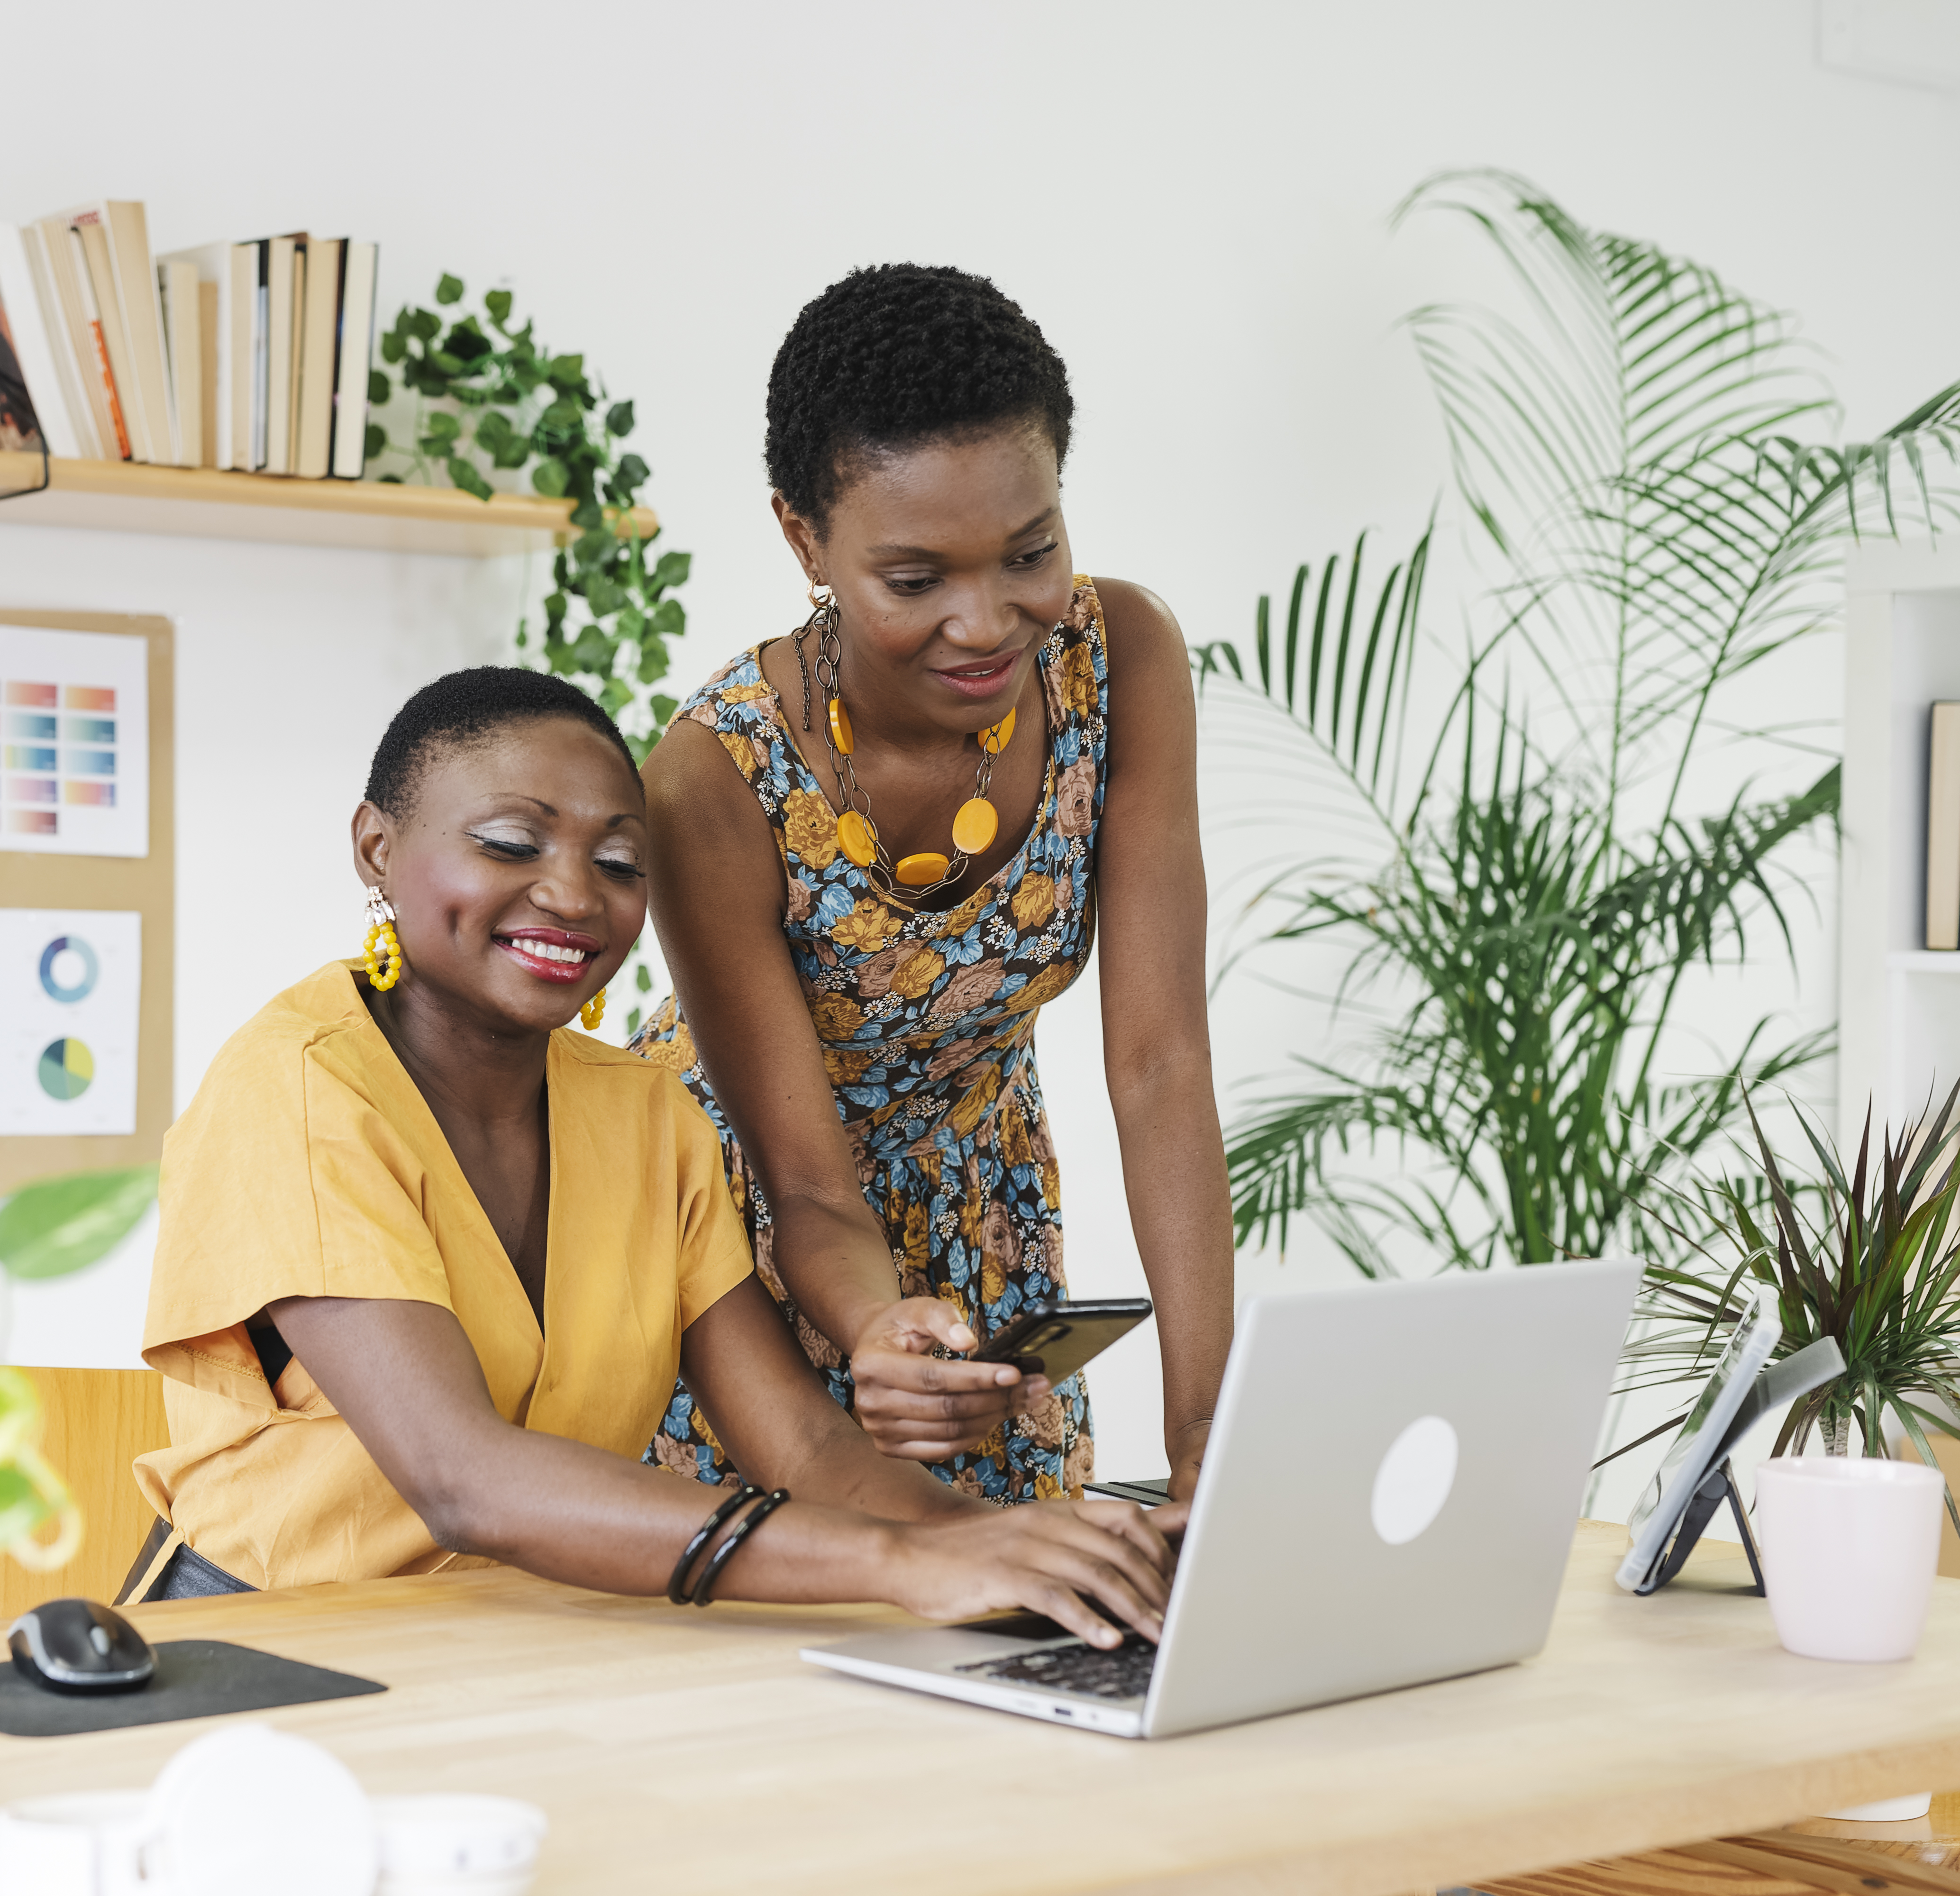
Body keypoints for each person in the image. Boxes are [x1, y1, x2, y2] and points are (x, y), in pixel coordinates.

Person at [126, 666, 1181, 1640]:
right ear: (377, 847)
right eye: (510, 842)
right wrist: (903, 1562)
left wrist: (1005, 1543)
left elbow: (805, 1449)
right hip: (265, 1648)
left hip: (527, 1641)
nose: (575, 894)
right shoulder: (299, 1089)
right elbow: (463, 1479)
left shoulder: (649, 1118)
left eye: (620, 861)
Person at [632, 264, 1235, 1504]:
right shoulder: (718, 777)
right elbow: (801, 1179)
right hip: (738, 1238)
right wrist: (874, 1329)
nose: (988, 622)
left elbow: (1160, 1063)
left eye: (1031, 551)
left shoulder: (1119, 662)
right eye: (917, 581)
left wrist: (1205, 1431)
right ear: (804, 538)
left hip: (980, 1217)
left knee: (1025, 1623)